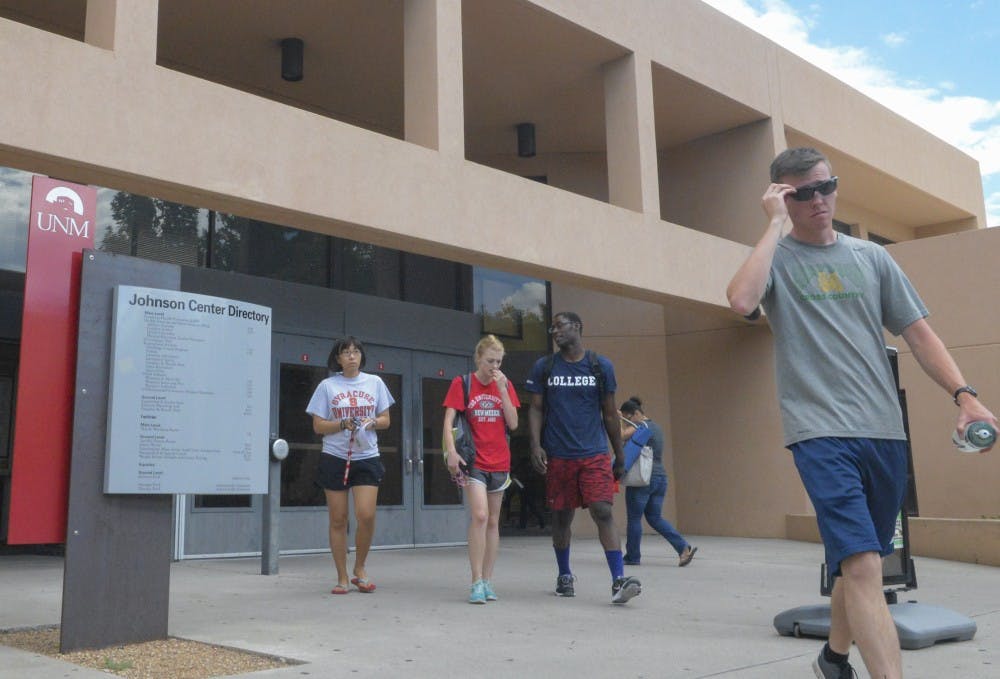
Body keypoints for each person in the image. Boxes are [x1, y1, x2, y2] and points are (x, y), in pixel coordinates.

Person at [726, 147, 996, 679]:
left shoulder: (871, 258)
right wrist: (774, 225)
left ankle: (832, 657)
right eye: (801, 193)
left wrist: (965, 395)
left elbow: (919, 334)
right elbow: (740, 300)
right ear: (781, 197)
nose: (818, 200)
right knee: (866, 563)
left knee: (859, 562)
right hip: (820, 432)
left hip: (884, 431)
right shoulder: (775, 258)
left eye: (825, 187)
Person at [526, 311, 641, 604]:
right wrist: (535, 445)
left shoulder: (600, 366)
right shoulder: (546, 367)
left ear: (578, 327)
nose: (555, 332)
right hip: (559, 455)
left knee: (602, 511)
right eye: (552, 328)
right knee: (562, 518)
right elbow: (536, 409)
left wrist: (618, 454)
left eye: (560, 326)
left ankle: (618, 579)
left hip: (593, 454)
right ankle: (564, 574)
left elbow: (610, 414)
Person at [306, 336, 395, 595]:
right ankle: (342, 576)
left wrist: (372, 422)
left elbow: (386, 419)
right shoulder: (327, 386)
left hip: (366, 455)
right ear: (338, 358)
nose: (352, 356)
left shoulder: (375, 382)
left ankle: (360, 568)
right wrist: (342, 424)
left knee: (366, 515)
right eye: (346, 353)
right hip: (335, 456)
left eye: (356, 352)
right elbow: (318, 426)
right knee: (338, 518)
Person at [442, 334, 520, 604]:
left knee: (494, 521)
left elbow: (513, 423)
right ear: (478, 358)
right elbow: (449, 419)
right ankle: (475, 580)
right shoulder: (462, 383)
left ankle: (488, 580)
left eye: (498, 361)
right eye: (489, 361)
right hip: (474, 460)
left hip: (500, 461)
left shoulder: (505, 385)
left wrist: (501, 390)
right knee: (480, 515)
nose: (494, 367)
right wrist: (451, 451)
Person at [619, 396, 696, 568]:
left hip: (643, 479)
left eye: (628, 418)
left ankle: (632, 556)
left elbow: (621, 435)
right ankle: (683, 548)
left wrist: (617, 419)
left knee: (634, 518)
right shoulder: (657, 428)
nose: (627, 422)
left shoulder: (641, 426)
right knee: (654, 517)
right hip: (660, 478)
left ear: (637, 413)